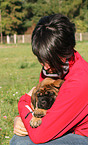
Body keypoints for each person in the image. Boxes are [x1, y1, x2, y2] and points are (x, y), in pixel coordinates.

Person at [10, 14, 88, 145]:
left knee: (22, 143)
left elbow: (39, 135)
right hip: (62, 126)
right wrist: (19, 119)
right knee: (18, 140)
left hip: (81, 135)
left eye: (50, 61)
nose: (45, 67)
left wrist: (23, 102)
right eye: (41, 60)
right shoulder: (55, 67)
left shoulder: (80, 80)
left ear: (66, 51)